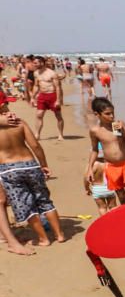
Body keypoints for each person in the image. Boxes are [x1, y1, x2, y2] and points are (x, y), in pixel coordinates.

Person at [0, 97, 64, 246]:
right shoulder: (19, 122)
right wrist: (44, 164)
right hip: (30, 164)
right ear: (3, 105)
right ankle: (59, 235)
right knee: (44, 200)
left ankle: (43, 238)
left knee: (26, 204)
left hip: (9, 169)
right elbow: (35, 145)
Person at [87, 97, 125, 204]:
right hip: (112, 167)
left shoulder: (117, 126)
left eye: (112, 113)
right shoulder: (95, 131)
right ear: (97, 114)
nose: (112, 116)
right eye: (107, 113)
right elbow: (94, 150)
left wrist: (124, 131)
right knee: (122, 198)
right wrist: (90, 168)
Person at [32, 57, 65, 140]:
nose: (34, 64)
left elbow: (57, 87)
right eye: (34, 63)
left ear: (42, 63)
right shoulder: (36, 73)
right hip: (42, 95)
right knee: (39, 115)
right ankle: (37, 134)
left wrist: (58, 100)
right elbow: (36, 85)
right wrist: (33, 97)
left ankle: (60, 134)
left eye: (36, 63)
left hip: (52, 95)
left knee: (58, 116)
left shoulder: (52, 73)